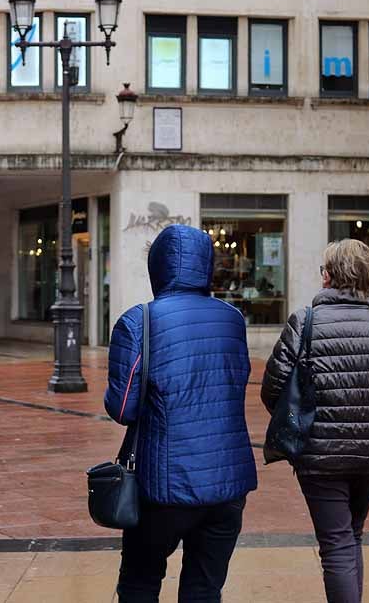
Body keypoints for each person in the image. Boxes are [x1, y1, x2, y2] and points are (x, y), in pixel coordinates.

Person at [104, 224, 257, 602]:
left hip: (164, 484)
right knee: (204, 589)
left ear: (158, 267)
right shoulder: (232, 318)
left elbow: (123, 408)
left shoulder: (139, 320)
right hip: (227, 481)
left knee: (140, 582)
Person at [262, 239, 369, 603]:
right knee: (351, 535)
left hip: (319, 453)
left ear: (328, 276)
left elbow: (273, 389)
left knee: (336, 542)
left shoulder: (306, 321)